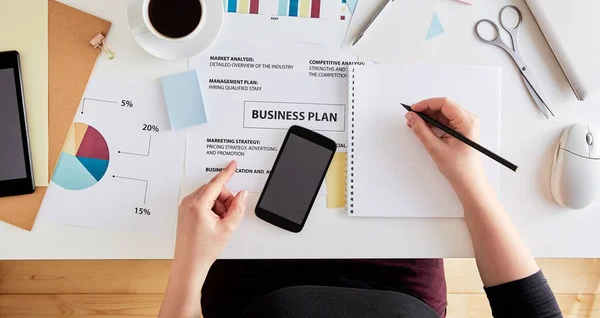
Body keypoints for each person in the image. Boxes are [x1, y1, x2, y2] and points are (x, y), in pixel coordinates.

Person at [158, 98, 563, 318]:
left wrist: (190, 261)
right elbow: (527, 307)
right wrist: (469, 180)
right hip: (398, 283)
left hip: (250, 287)